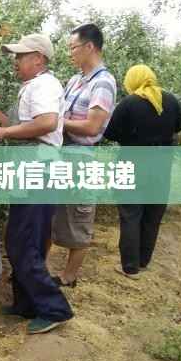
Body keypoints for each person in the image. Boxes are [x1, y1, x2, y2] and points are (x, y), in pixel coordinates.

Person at [0, 33, 74, 335]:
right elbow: (22, 126)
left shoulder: (44, 85)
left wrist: (1, 134)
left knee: (22, 241)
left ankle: (55, 308)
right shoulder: (32, 86)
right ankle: (26, 303)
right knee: (25, 239)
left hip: (39, 169)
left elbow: (46, 122)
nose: (15, 61)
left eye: (21, 56)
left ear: (38, 58)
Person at [50, 23, 116, 287]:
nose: (70, 53)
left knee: (79, 218)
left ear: (90, 47)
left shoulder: (103, 83)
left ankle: (69, 277)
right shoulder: (75, 80)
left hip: (81, 157)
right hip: (62, 153)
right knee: (52, 213)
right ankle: (41, 268)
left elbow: (91, 127)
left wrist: (55, 123)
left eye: (73, 48)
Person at [104, 64, 181, 279]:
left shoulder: (129, 103)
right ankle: (143, 261)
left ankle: (130, 267)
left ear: (132, 80)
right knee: (152, 213)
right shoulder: (170, 100)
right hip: (161, 165)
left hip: (132, 163)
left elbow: (110, 133)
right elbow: (179, 126)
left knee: (130, 213)